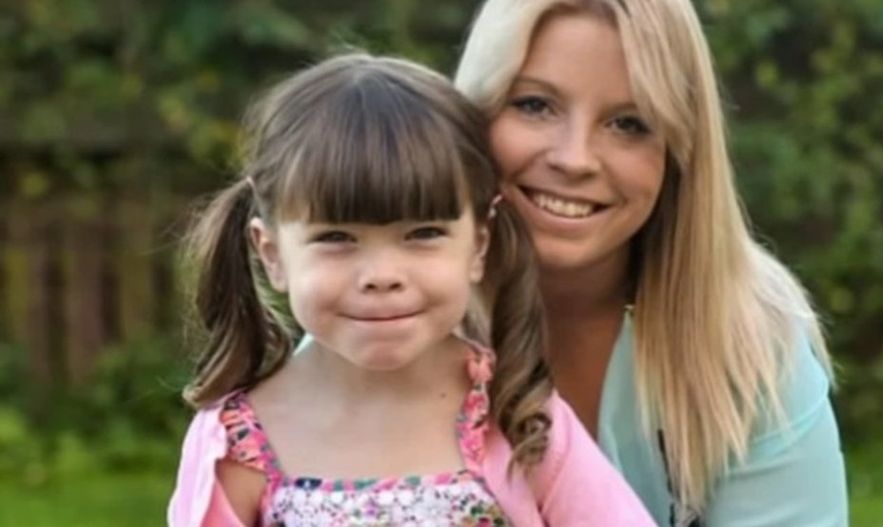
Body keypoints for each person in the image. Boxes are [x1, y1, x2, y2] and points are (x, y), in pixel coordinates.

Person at [167, 53, 654, 526]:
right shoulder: (239, 444)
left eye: (422, 234)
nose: (382, 275)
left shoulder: (518, 414)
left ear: (477, 245)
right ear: (272, 254)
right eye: (337, 238)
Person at [455, 0, 848, 525]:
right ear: (472, 116)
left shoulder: (752, 342)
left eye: (628, 123)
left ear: (679, 153)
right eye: (534, 105)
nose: (575, 159)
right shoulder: (379, 318)